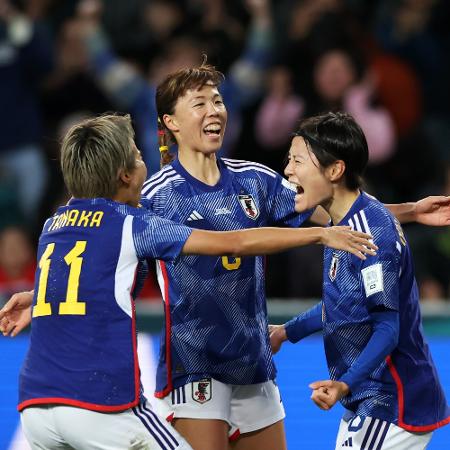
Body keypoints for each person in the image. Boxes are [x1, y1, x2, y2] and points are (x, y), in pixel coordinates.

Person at [3, 67, 449, 450]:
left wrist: (408, 211)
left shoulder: (255, 180)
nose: (214, 111)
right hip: (195, 367)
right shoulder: (153, 198)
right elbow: (107, 268)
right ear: (170, 122)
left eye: (218, 101)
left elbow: (339, 214)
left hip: (254, 362)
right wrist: (39, 292)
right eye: (199, 104)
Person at [270, 111, 450, 450]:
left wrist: (345, 385)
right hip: (370, 398)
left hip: (393, 401)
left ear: (335, 170)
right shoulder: (344, 226)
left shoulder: (370, 236)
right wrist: (286, 332)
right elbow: (345, 305)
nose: (289, 170)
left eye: (297, 161)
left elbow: (387, 329)